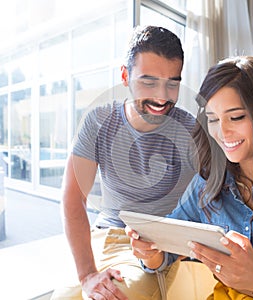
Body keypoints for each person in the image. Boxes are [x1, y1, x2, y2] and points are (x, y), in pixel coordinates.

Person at [127, 56, 253, 300]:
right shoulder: (208, 184)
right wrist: (151, 254)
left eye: (237, 117)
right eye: (213, 119)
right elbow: (169, 241)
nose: (223, 132)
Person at [51, 25, 198, 300]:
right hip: (103, 237)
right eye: (149, 81)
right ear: (124, 76)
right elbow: (73, 198)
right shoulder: (98, 120)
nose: (162, 96)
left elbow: (213, 201)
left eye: (172, 83)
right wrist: (87, 275)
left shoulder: (190, 131)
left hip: (153, 249)